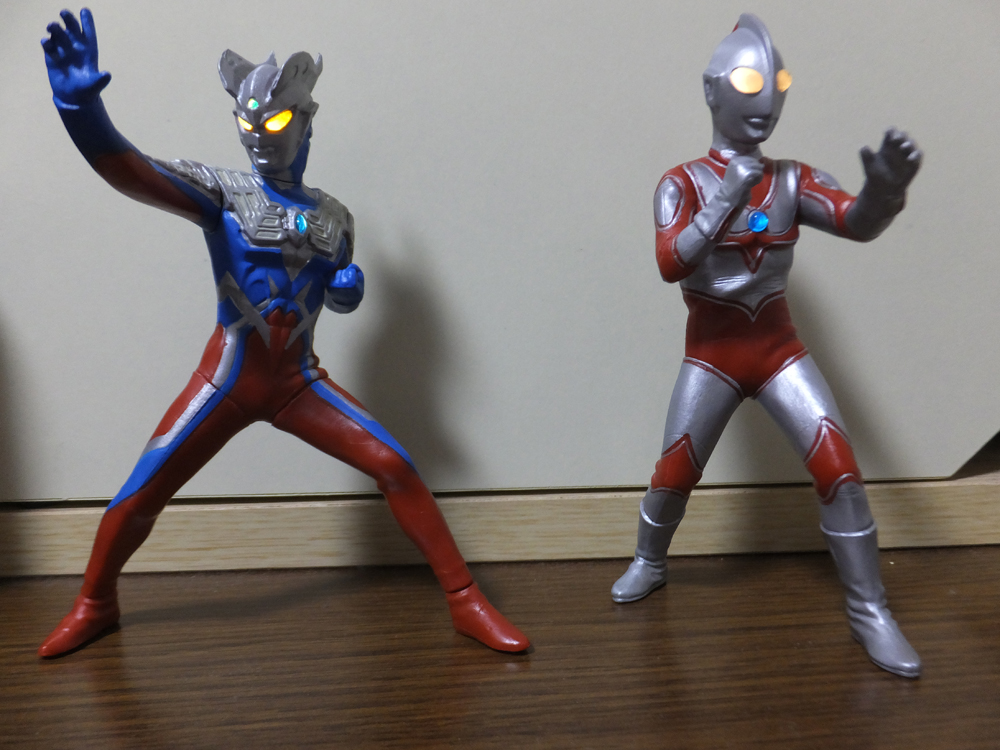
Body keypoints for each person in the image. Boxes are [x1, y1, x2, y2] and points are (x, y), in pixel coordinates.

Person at [39, 8, 529, 657]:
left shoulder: (334, 217)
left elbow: (337, 296)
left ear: (305, 121)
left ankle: (466, 601)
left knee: (395, 464)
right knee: (142, 491)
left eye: (273, 123)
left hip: (297, 383)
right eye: (247, 125)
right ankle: (94, 602)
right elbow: (131, 171)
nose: (259, 138)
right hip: (226, 380)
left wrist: (348, 289)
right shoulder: (223, 191)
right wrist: (81, 111)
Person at [611, 14, 922, 678]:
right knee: (676, 471)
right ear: (713, 89)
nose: (768, 100)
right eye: (751, 82)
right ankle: (648, 559)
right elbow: (670, 261)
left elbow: (854, 221)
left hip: (779, 350)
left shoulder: (792, 179)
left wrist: (884, 193)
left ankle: (870, 610)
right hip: (713, 355)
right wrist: (724, 196)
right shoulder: (681, 183)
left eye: (778, 84)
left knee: (838, 467)